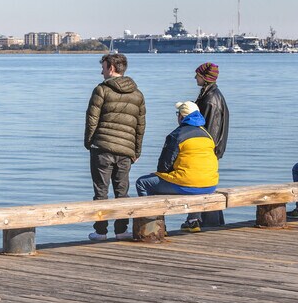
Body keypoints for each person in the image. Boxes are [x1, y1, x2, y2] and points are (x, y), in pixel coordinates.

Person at [85, 53, 146, 241]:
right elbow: (140, 125)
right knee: (122, 191)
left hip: (102, 148)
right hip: (126, 151)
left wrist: (89, 142)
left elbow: (92, 119)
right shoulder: (137, 94)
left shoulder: (101, 90)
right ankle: (121, 230)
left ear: (111, 68)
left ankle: (101, 232)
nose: (101, 72)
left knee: (101, 192)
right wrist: (136, 151)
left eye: (103, 68)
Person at [135, 101, 219, 233]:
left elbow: (164, 165)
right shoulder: (207, 135)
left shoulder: (177, 135)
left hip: (187, 184)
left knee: (143, 183)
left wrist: (160, 174)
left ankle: (154, 227)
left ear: (182, 116)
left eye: (177, 114)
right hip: (210, 184)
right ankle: (193, 221)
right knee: (193, 178)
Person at [194, 62, 229, 226]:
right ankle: (210, 221)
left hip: (208, 151)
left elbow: (210, 129)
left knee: (203, 185)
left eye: (198, 75)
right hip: (212, 150)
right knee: (206, 186)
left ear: (205, 77)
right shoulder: (210, 94)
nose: (195, 77)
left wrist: (203, 149)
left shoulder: (210, 99)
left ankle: (207, 222)